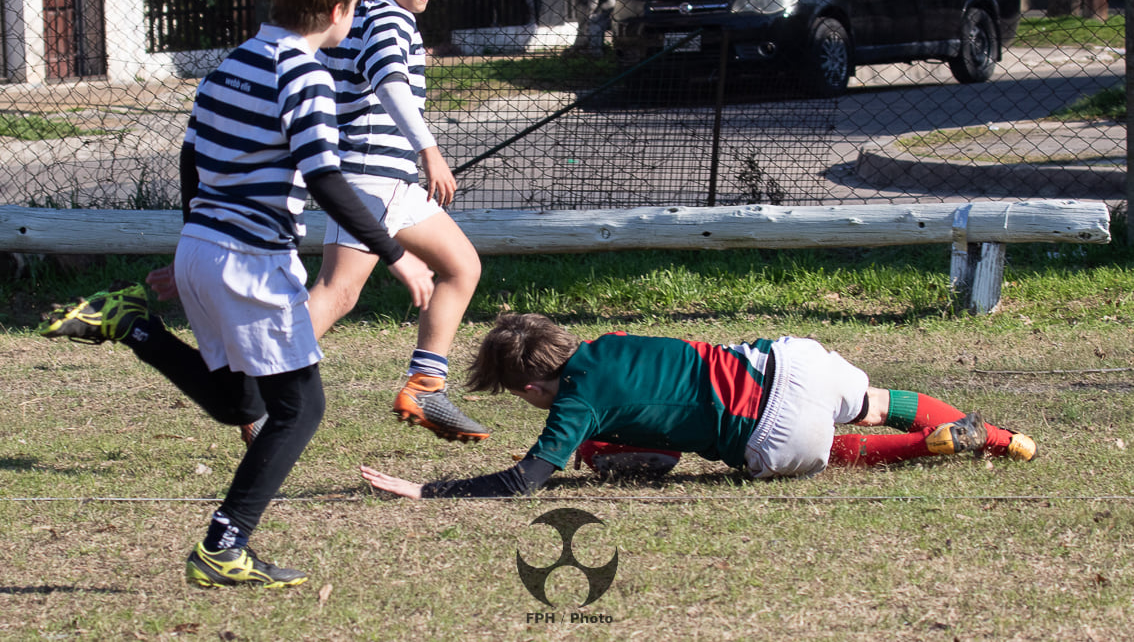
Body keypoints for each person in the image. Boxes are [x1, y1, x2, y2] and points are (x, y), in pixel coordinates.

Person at [38, 0, 434, 588]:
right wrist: (396, 254)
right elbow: (327, 178)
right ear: (341, 12)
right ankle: (225, 545)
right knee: (299, 410)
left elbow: (193, 157)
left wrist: (191, 243)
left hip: (205, 246)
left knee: (237, 401)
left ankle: (131, 325)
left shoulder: (235, 60)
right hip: (251, 260)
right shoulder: (304, 72)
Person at [359, 313, 1038, 498]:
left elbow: (524, 482)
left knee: (823, 449)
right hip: (791, 362)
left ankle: (925, 449)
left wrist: (429, 489)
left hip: (771, 433)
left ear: (531, 388)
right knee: (878, 401)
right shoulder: (611, 343)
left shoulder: (572, 403)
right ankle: (1001, 437)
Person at [311, 0, 487, 443]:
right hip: (370, 179)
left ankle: (426, 386)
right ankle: (257, 385)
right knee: (338, 292)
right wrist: (430, 149)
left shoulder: (368, 15)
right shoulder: (386, 18)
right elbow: (389, 82)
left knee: (461, 266)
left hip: (391, 182)